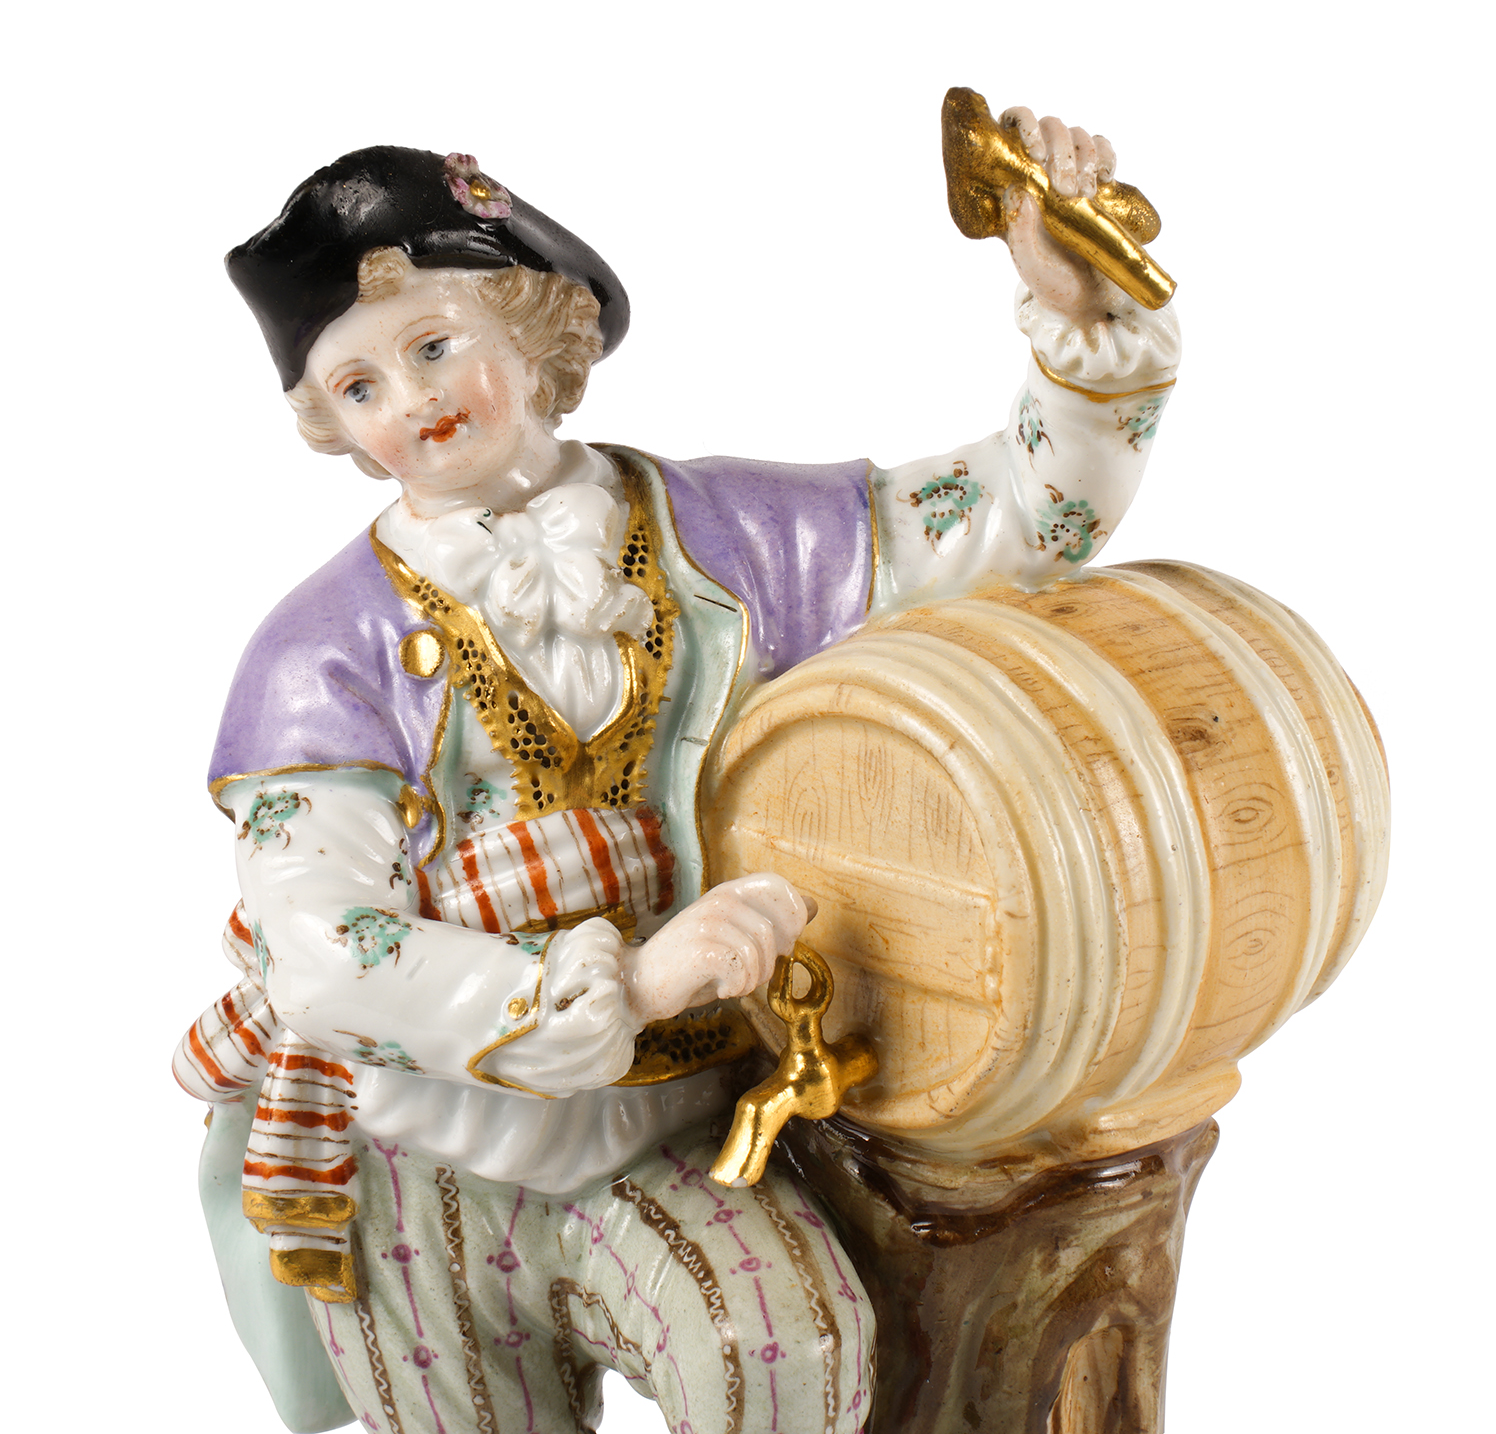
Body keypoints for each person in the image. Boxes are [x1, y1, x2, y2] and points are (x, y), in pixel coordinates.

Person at [176, 115, 1181, 1434]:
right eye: (359, 386)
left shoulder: (737, 536)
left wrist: (1081, 320)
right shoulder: (321, 651)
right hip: (421, 1164)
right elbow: (323, 952)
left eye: (432, 346)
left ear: (532, 328)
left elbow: (1030, 517)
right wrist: (631, 983)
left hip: (673, 1136)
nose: (411, 401)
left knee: (787, 1353)